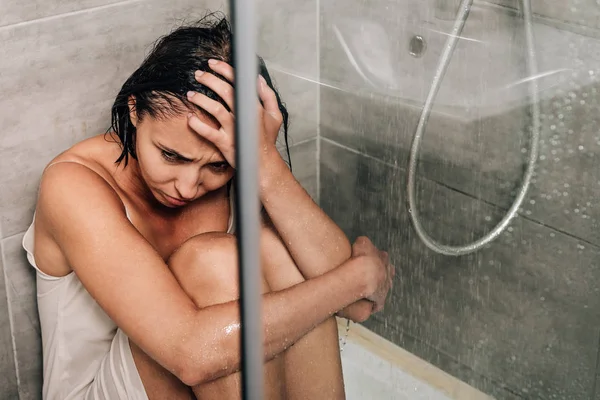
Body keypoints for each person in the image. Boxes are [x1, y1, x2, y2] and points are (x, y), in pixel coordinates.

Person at [22, 13, 394, 400]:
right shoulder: (72, 186)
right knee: (214, 260)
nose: (187, 186)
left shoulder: (238, 167)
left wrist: (265, 164)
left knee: (270, 246)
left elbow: (354, 304)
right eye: (170, 155)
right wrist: (354, 278)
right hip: (103, 389)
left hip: (206, 373)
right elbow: (192, 355)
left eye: (217, 165)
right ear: (134, 111)